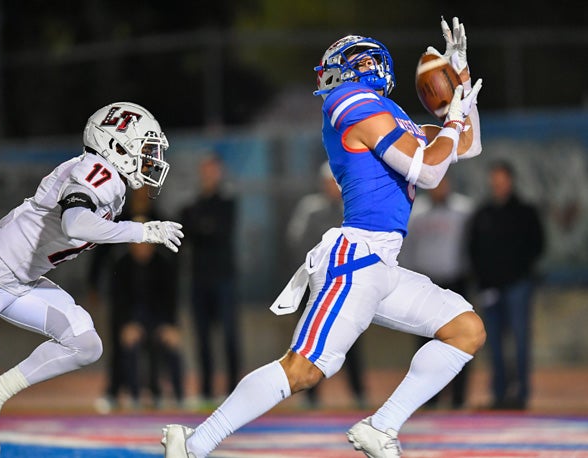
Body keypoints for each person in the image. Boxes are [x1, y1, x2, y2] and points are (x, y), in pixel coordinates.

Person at [162, 16, 485, 458]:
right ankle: (194, 443)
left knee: (465, 329)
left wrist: (461, 85)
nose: (330, 75)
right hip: (356, 258)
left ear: (367, 65)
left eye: (341, 64)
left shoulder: (391, 116)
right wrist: (451, 120)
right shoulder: (348, 100)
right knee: (303, 370)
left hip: (381, 264)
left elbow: (466, 146)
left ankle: (382, 426)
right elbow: (429, 170)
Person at [0, 101, 184, 455]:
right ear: (117, 145)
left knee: (84, 344)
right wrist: (140, 232)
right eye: (145, 148)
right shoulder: (96, 170)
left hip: (22, 281)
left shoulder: (109, 182)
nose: (151, 159)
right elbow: (75, 222)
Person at [286, 160, 368, 409]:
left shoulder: (353, 209)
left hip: (345, 286)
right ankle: (310, 394)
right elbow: (296, 241)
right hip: (316, 285)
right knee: (310, 340)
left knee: (350, 341)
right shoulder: (311, 209)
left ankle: (358, 391)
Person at [467, 160, 545, 410]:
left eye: (502, 180)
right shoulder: (483, 214)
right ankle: (500, 394)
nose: (498, 185)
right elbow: (473, 250)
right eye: (495, 181)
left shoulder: (525, 212)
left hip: (517, 287)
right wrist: (483, 281)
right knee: (494, 345)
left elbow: (537, 245)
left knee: (520, 341)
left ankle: (521, 394)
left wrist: (518, 273)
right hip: (490, 289)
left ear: (510, 181)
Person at [400, 176, 474, 409]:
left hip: (456, 283)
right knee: (424, 344)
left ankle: (458, 398)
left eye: (443, 182)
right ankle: (428, 397)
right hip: (425, 284)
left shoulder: (465, 211)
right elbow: (407, 248)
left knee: (461, 341)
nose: (439, 187)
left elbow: (473, 246)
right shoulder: (416, 212)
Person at [178, 154, 240, 404]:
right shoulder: (191, 206)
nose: (208, 174)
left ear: (220, 172)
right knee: (202, 337)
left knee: (229, 336)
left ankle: (235, 389)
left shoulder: (227, 203)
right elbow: (188, 234)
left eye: (213, 169)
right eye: (205, 169)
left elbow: (219, 231)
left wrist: (201, 228)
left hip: (224, 277)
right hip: (199, 279)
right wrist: (204, 228)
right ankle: (205, 389)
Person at [108, 224, 185, 410]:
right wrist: (126, 325)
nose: (143, 247)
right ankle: (134, 396)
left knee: (172, 345)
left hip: (158, 320)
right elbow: (118, 302)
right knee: (129, 343)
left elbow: (171, 300)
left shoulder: (164, 264)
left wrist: (171, 326)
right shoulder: (122, 265)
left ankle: (179, 396)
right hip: (132, 319)